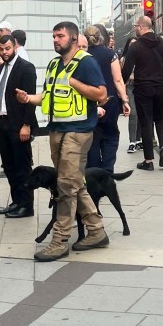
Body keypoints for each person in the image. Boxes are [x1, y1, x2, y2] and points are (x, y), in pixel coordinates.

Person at [15, 21, 109, 261]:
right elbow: (46, 96)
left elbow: (102, 95)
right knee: (75, 183)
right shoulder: (55, 64)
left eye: (60, 36)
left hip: (78, 132)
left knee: (65, 186)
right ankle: (96, 231)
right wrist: (28, 98)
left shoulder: (86, 62)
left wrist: (75, 83)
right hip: (57, 130)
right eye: (54, 36)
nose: (56, 40)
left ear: (74, 38)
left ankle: (59, 241)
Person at [0, 35, 38, 218]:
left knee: (22, 167)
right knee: (8, 166)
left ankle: (27, 205)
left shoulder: (26, 68)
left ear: (14, 46)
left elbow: (30, 99)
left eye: (7, 48)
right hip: (0, 122)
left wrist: (26, 125)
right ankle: (16, 201)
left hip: (18, 124)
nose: (4, 52)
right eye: (1, 49)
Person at [120, 16, 163, 171]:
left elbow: (126, 71)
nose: (135, 28)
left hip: (143, 88)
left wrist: (120, 86)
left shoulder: (136, 46)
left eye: (136, 26)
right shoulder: (162, 42)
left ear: (141, 27)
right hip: (161, 86)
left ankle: (148, 161)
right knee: (160, 119)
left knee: (146, 122)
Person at [84, 24, 130, 172]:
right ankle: (108, 170)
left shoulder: (81, 55)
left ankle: (94, 171)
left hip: (88, 102)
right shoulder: (110, 54)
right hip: (109, 101)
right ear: (101, 37)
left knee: (92, 137)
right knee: (111, 135)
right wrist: (125, 100)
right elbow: (118, 80)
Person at [121, 36, 143, 154]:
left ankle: (138, 139)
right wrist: (122, 93)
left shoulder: (143, 56)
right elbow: (121, 77)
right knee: (133, 113)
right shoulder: (124, 59)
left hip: (141, 85)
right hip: (129, 85)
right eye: (131, 44)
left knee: (140, 113)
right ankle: (132, 142)